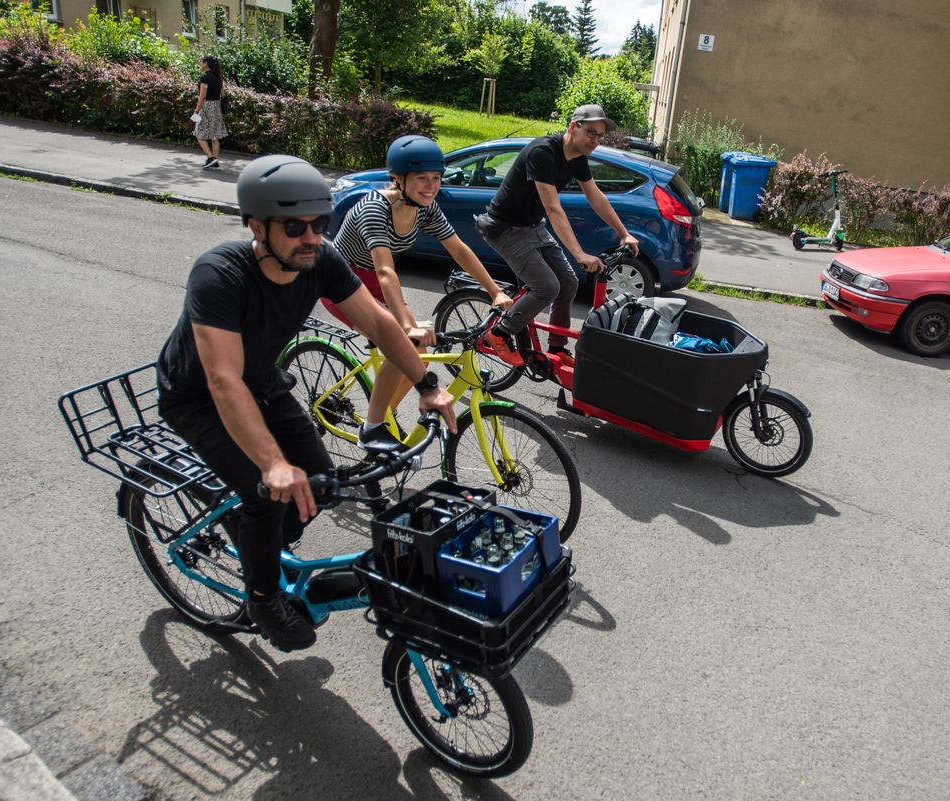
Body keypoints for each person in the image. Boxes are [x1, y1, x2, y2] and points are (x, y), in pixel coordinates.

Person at [156, 155, 457, 652]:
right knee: (264, 493)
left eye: (319, 223)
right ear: (256, 226)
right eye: (295, 226)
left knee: (321, 487)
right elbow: (223, 380)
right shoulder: (219, 274)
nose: (311, 237)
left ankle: (256, 542)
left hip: (265, 385)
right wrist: (272, 464)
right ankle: (261, 595)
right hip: (199, 399)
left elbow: (380, 324)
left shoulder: (322, 260)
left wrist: (428, 383)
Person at [332, 134, 513, 451]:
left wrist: (494, 291)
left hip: (375, 281)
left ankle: (383, 415)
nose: (431, 186)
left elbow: (459, 250)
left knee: (419, 354)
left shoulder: (424, 208)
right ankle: (371, 429)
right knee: (401, 342)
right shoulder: (375, 210)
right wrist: (404, 325)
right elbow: (386, 271)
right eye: (421, 178)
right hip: (341, 282)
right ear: (397, 179)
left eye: (436, 178)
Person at [475, 104, 639, 368]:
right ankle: (499, 333)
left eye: (599, 136)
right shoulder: (543, 152)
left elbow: (595, 196)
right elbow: (553, 208)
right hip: (505, 228)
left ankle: (556, 348)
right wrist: (579, 254)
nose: (595, 141)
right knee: (547, 287)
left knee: (569, 283)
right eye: (591, 133)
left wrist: (624, 234)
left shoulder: (577, 158)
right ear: (573, 127)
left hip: (532, 226)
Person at [193, 55, 227, 170]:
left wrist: (196, 111)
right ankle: (215, 161)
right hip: (216, 107)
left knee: (199, 133)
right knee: (214, 135)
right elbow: (222, 94)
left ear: (206, 63)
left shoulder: (205, 78)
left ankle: (210, 157)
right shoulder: (218, 77)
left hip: (207, 107)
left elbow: (202, 96)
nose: (200, 64)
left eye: (201, 62)